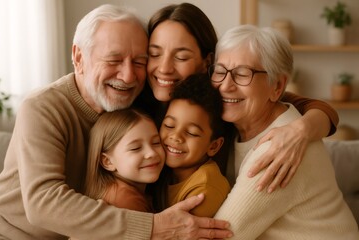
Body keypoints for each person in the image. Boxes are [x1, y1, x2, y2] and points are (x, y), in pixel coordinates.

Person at [0, 4, 232, 240]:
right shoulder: (43, 107)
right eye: (114, 60)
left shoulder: (144, 105)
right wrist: (153, 226)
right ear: (79, 57)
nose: (128, 76)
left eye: (140, 62)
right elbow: (43, 203)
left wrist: (273, 135)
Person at [133, 2, 339, 193]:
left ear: (207, 62)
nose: (164, 68)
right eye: (154, 54)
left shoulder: (221, 100)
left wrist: (300, 130)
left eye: (181, 57)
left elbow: (313, 107)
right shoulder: (137, 107)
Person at [212, 24, 359, 239]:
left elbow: (222, 235)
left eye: (242, 74)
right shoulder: (236, 125)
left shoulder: (276, 150)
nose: (225, 86)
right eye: (219, 71)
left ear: (277, 87)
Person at [153, 73, 231, 217]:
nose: (176, 137)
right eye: (169, 125)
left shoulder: (205, 188)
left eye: (192, 133)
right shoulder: (161, 169)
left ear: (213, 146)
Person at [84, 109, 165, 212]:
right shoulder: (127, 200)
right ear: (107, 161)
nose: (152, 153)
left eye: (156, 142)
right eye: (135, 148)